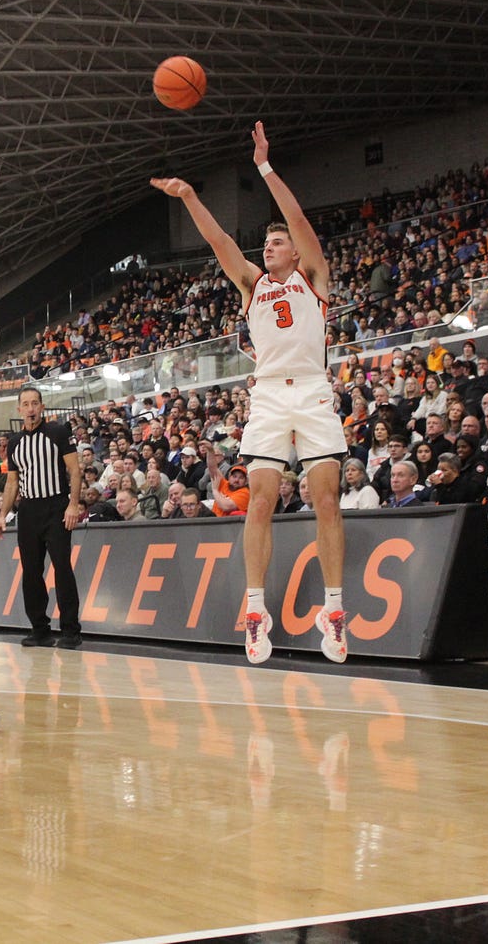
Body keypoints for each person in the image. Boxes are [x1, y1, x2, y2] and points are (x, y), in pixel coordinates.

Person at [152, 120, 349, 665]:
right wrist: (190, 195)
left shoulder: (312, 275)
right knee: (258, 502)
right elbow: (218, 240)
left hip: (311, 392)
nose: (268, 245)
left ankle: (334, 612)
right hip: (266, 395)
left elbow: (301, 218)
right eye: (265, 241)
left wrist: (264, 166)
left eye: (277, 239)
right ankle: (256, 611)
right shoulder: (251, 284)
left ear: (294, 249)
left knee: (327, 500)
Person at [0, 387, 83, 647]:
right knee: (31, 572)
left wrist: (73, 505)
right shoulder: (14, 443)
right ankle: (40, 629)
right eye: (26, 404)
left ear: (42, 407)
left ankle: (70, 631)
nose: (31, 408)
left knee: (62, 568)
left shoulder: (57, 432)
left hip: (56, 506)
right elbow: (12, 483)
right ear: (19, 409)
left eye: (35, 403)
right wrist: (3, 515)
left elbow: (75, 471)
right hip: (29, 510)